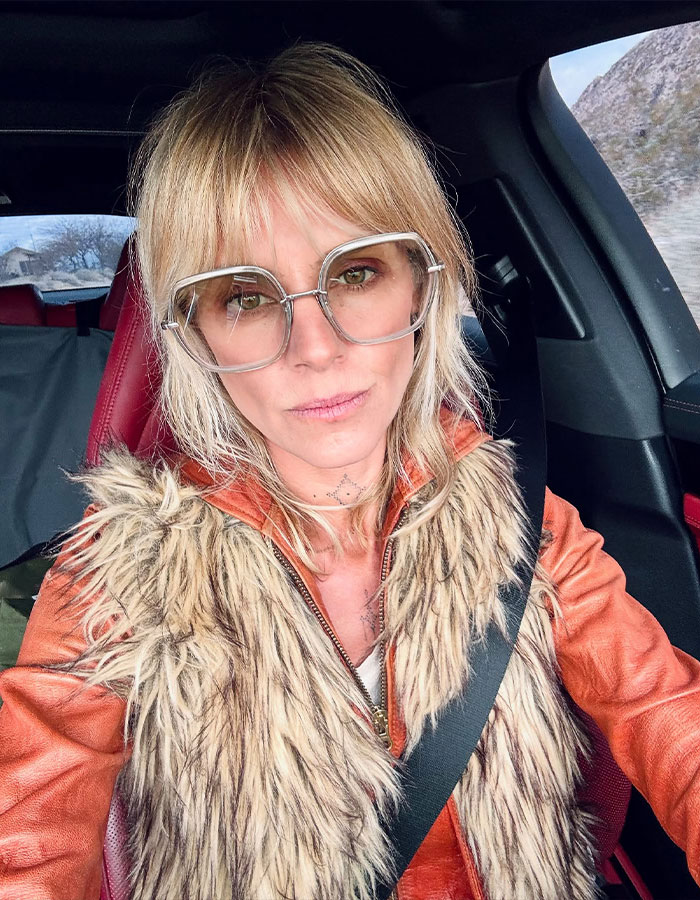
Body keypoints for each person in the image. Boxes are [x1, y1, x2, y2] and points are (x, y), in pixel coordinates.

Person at [1, 42, 699, 900]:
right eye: (246, 295)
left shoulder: (522, 518)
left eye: (357, 271)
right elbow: (28, 833)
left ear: (421, 288)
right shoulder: (119, 570)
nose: (316, 347)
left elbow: (664, 712)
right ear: (195, 332)